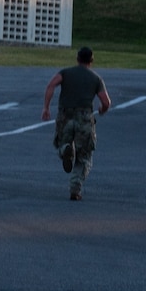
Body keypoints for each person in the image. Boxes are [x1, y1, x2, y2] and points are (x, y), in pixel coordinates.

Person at [42, 47, 112, 201]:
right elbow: (106, 101)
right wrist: (102, 110)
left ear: (77, 58)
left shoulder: (65, 73)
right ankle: (75, 188)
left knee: (61, 141)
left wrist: (46, 108)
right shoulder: (96, 79)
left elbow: (51, 85)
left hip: (65, 115)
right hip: (85, 117)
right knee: (84, 155)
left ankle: (65, 149)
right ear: (91, 61)